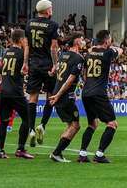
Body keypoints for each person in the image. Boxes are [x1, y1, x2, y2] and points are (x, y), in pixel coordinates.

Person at [79, 29, 122, 163]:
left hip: (86, 92)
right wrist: (109, 46)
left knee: (92, 124)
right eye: (109, 39)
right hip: (98, 92)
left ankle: (82, 154)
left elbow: (84, 74)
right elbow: (120, 51)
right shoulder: (108, 52)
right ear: (106, 40)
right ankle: (99, 154)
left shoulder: (88, 53)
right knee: (112, 124)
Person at [24, 0, 60, 148]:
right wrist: (56, 64)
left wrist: (25, 63)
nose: (52, 10)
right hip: (47, 65)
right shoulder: (52, 25)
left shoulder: (29, 23)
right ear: (46, 10)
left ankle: (31, 129)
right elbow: (53, 48)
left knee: (33, 97)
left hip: (33, 64)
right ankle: (42, 125)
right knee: (51, 96)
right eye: (51, 8)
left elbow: (27, 45)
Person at [0, 29, 34, 159]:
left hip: (4, 92)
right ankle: (20, 149)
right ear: (22, 40)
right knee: (27, 119)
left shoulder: (6, 53)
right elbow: (25, 68)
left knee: (4, 122)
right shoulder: (22, 53)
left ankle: (0, 151)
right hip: (15, 92)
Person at [48, 33, 86, 163]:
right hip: (64, 97)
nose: (83, 41)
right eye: (81, 39)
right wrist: (59, 95)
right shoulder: (79, 58)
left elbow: (58, 73)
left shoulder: (63, 55)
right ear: (76, 42)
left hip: (58, 94)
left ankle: (58, 152)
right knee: (75, 126)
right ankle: (56, 152)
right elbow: (70, 80)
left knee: (71, 124)